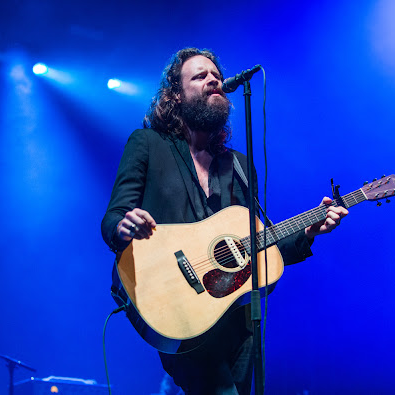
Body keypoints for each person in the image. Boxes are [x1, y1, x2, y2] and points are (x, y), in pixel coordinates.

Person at [100, 47, 348, 394]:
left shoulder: (240, 165)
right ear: (175, 95)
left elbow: (258, 241)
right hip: (177, 308)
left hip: (236, 318)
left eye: (215, 76)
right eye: (200, 76)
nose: (213, 80)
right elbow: (113, 217)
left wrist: (308, 232)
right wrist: (123, 226)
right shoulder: (147, 144)